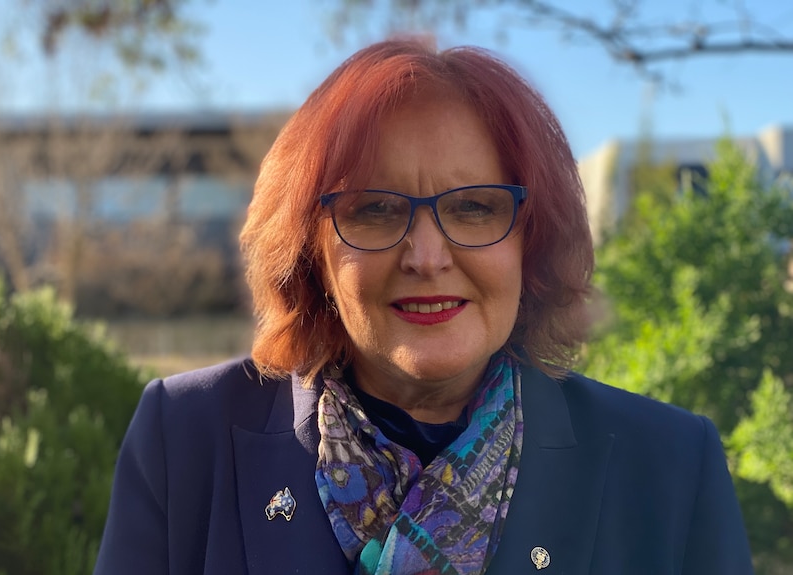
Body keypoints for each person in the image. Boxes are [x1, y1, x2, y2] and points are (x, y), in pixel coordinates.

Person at [94, 39, 753, 575]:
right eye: (376, 209)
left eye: (474, 206)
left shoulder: (668, 465)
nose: (427, 255)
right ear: (309, 250)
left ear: (533, 239)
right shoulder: (184, 438)